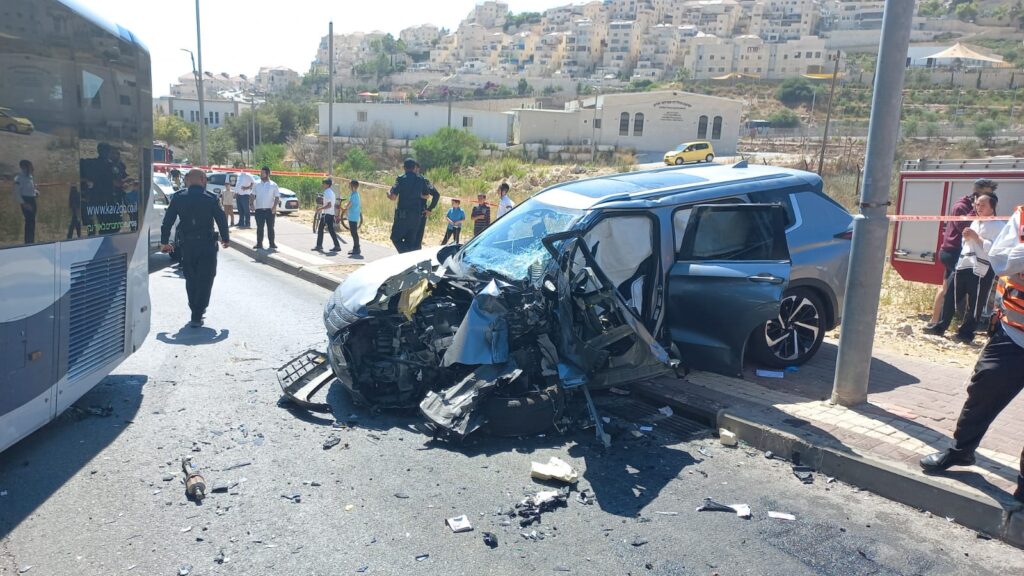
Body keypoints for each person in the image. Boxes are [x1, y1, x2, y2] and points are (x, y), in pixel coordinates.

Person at [919, 204, 1024, 505]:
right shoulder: (1022, 216)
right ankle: (961, 450)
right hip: (1014, 332)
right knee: (983, 389)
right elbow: (1001, 262)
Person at [160, 169, 229, 328]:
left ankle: (194, 310)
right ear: (203, 180)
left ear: (187, 180)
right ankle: (199, 312)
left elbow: (168, 221)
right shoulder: (211, 198)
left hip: (187, 247)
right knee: (206, 278)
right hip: (206, 246)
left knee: (191, 278)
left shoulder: (178, 198)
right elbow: (221, 220)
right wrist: (225, 238)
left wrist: (164, 242)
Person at [925, 179, 996, 334]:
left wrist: (976, 236)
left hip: (974, 263)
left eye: (983, 204)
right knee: (949, 291)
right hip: (957, 257)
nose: (979, 207)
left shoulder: (996, 223)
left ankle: (958, 329)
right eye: (979, 203)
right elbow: (963, 232)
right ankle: (939, 323)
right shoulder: (965, 210)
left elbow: (992, 247)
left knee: (962, 295)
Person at [388, 158, 434, 253]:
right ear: (414, 168)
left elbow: (393, 197)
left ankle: (405, 257)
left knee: (395, 238)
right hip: (416, 217)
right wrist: (418, 195)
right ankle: (410, 261)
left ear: (404, 168)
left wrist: (388, 193)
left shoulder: (401, 178)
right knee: (411, 243)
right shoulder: (421, 179)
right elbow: (427, 195)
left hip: (403, 216)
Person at [252, 166, 280, 250]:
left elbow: (277, 197)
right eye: (260, 173)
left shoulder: (273, 185)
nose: (260, 174)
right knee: (260, 228)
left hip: (270, 210)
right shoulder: (256, 184)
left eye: (262, 173)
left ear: (267, 174)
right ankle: (259, 244)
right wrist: (251, 204)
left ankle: (272, 244)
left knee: (270, 228)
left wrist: (274, 207)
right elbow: (252, 195)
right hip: (259, 210)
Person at [13, 160, 38, 244]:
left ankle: (32, 241)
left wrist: (36, 192)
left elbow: (30, 189)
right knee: (29, 221)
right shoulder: (19, 178)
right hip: (26, 201)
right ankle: (28, 242)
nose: (31, 168)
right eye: (29, 166)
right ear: (24, 167)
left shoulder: (30, 177)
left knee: (32, 221)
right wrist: (24, 204)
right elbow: (17, 193)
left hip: (32, 200)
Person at [313, 177, 342, 252]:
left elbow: (329, 205)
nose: (322, 185)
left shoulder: (327, 192)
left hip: (326, 214)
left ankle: (319, 246)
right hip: (331, 213)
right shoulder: (331, 192)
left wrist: (320, 208)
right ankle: (337, 245)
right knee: (331, 230)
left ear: (327, 185)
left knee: (320, 229)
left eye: (324, 183)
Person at [343, 179, 362, 257]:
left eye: (350, 185)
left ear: (353, 186)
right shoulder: (354, 194)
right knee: (353, 232)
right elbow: (351, 203)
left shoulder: (354, 195)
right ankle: (356, 248)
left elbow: (350, 203)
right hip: (352, 215)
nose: (349, 186)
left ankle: (357, 248)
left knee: (354, 233)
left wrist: (346, 207)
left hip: (353, 216)